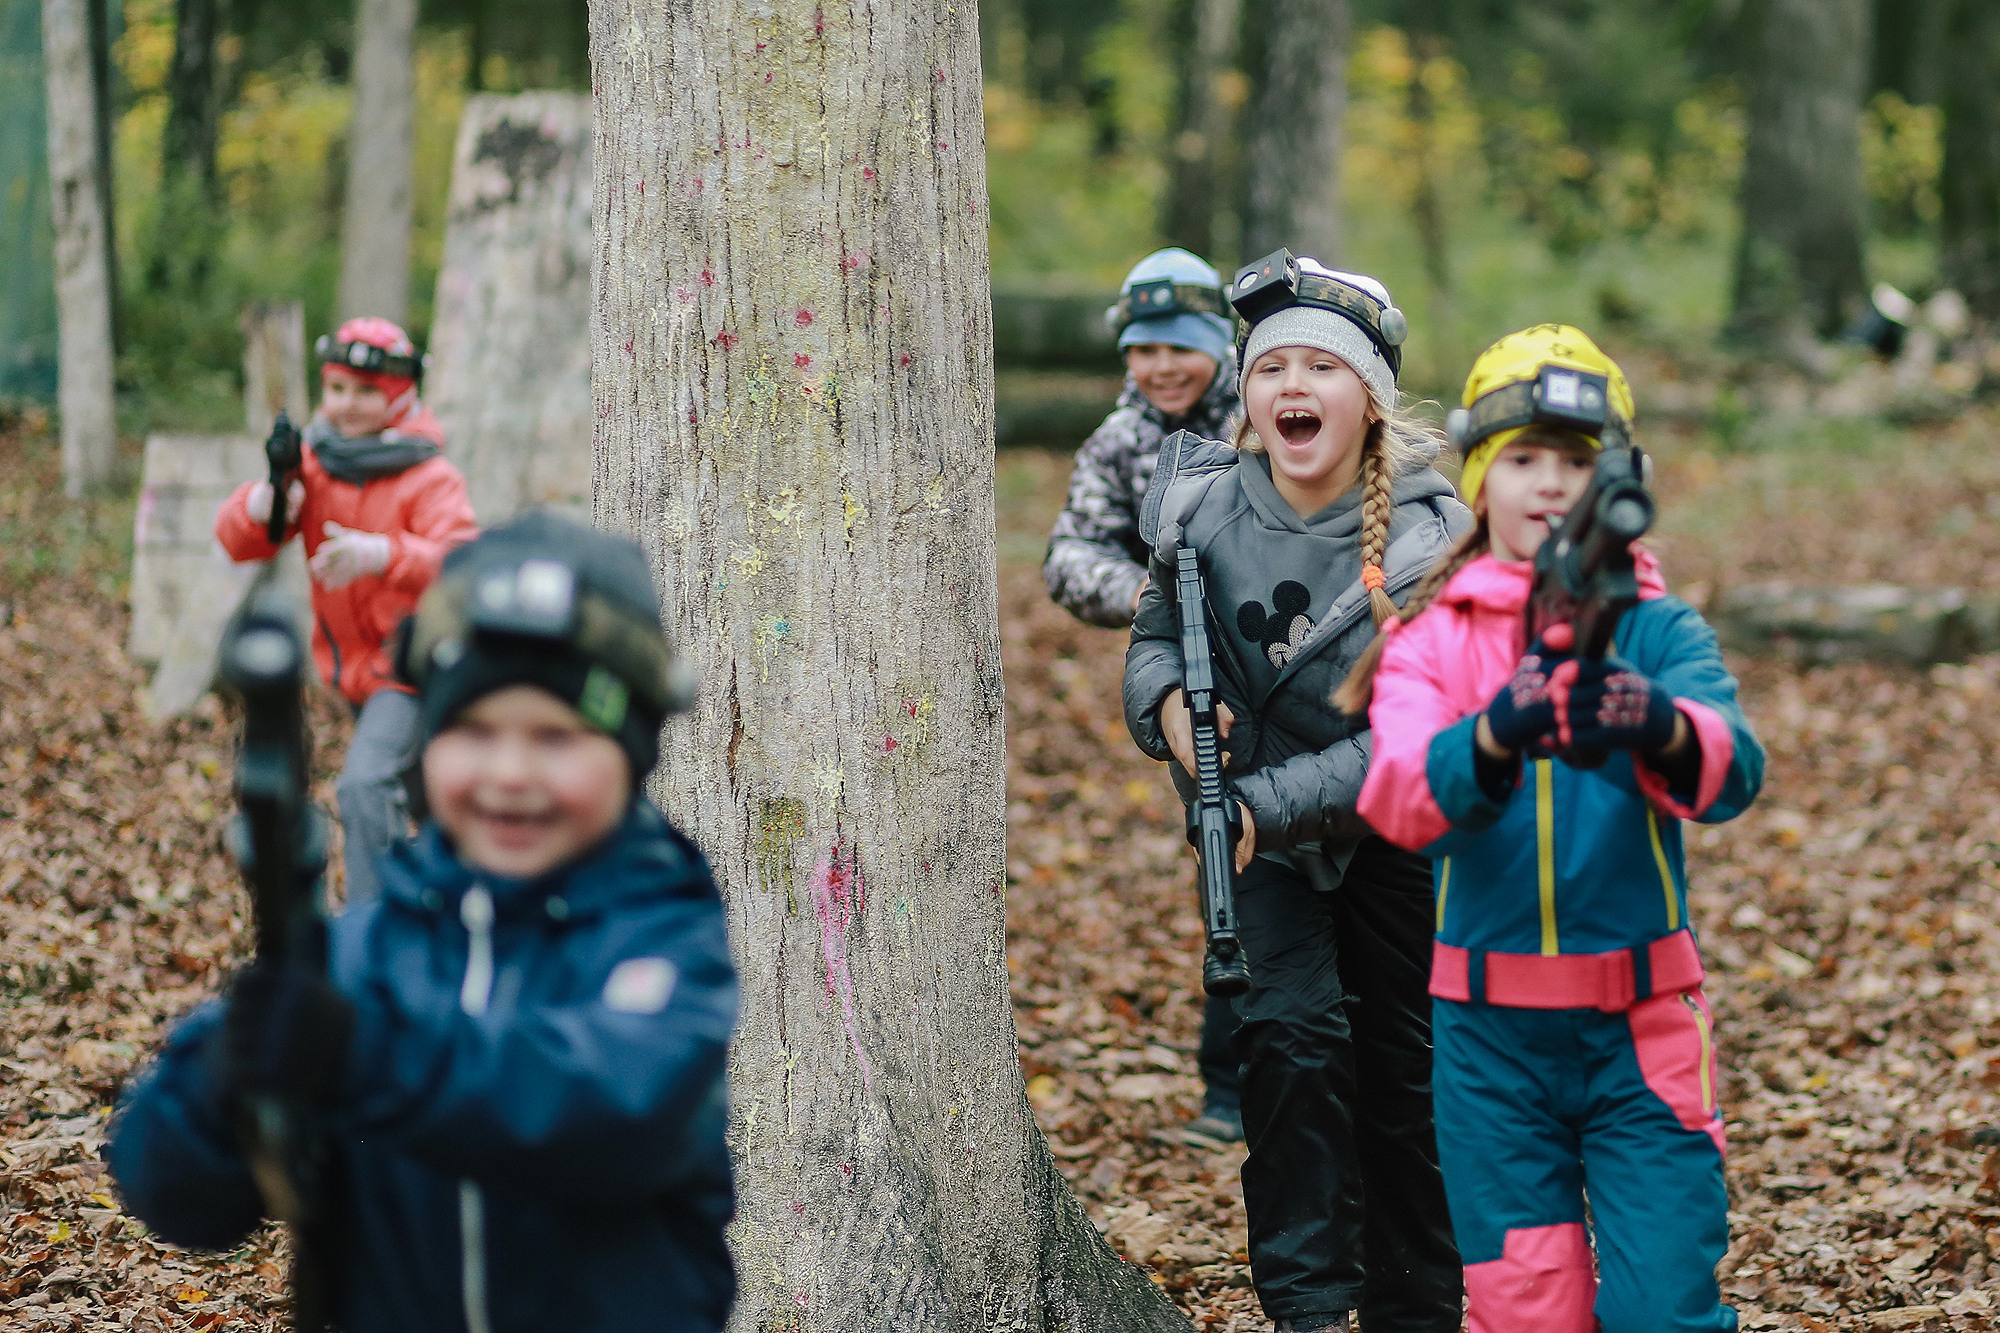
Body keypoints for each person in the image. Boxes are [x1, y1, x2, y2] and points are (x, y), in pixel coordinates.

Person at [108, 511, 736, 1332]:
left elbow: (607, 1108)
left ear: (634, 749)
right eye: (473, 731)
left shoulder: (661, 940)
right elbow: (176, 1196)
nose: (511, 773)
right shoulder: (367, 954)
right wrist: (223, 1081)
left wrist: (361, 1054)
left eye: (558, 737)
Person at [1342, 325, 1765, 1333]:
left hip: (1644, 1028)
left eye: (1575, 462)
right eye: (1520, 457)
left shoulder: (1657, 628)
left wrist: (1653, 721)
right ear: (1478, 481)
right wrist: (1492, 733)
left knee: (1665, 1303)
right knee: (1526, 1309)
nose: (1547, 484)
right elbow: (1396, 796)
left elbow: (1730, 768)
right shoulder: (1430, 641)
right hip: (1490, 1047)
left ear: (1611, 481)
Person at [1123, 252, 1467, 1333]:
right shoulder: (1200, 511)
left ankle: (1414, 1301)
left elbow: (1412, 740)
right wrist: (1178, 713)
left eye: (1322, 366)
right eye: (1272, 367)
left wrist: (1263, 800)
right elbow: (1148, 650)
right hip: (1251, 850)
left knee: (1405, 1073)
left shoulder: (1432, 540)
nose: (1292, 388)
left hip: (1388, 833)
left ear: (1367, 399)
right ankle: (1309, 1306)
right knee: (1290, 1046)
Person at [1044, 247, 1247, 1148]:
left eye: (1180, 347)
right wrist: (1143, 595)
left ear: (1217, 344)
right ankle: (1229, 1087)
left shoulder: (1264, 413)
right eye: (1142, 349)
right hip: (1191, 685)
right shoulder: (1123, 443)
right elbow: (1067, 554)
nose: (1161, 366)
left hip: (1294, 664)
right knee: (1228, 858)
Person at [214, 317, 479, 903]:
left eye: (367, 392)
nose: (348, 405)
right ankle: (465, 909)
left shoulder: (429, 476)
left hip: (416, 668)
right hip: (355, 673)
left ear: (401, 395)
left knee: (363, 789)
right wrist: (262, 503)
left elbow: (462, 560)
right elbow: (240, 540)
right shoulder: (317, 463)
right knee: (427, 799)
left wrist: (385, 553)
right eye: (337, 389)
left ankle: (375, 931)